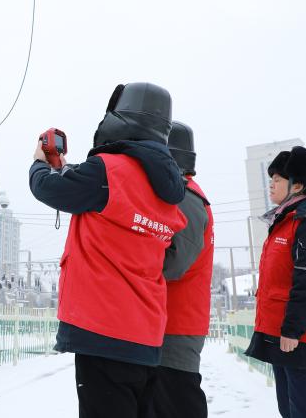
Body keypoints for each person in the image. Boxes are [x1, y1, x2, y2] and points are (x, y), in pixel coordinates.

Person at [29, 82, 187, 418]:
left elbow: (49, 188)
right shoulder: (168, 189)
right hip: (146, 334)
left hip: (104, 330)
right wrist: (70, 172)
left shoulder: (109, 169)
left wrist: (40, 163)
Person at [245, 146, 306, 418]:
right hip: (287, 340)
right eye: (271, 179)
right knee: (290, 411)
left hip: (303, 341)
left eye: (277, 179)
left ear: (297, 186)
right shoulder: (286, 221)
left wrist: (293, 329)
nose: (271, 184)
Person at [150, 121, 215, 418]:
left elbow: (175, 263)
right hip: (171, 320)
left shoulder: (186, 197)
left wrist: (131, 266)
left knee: (177, 400)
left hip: (177, 323)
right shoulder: (183, 194)